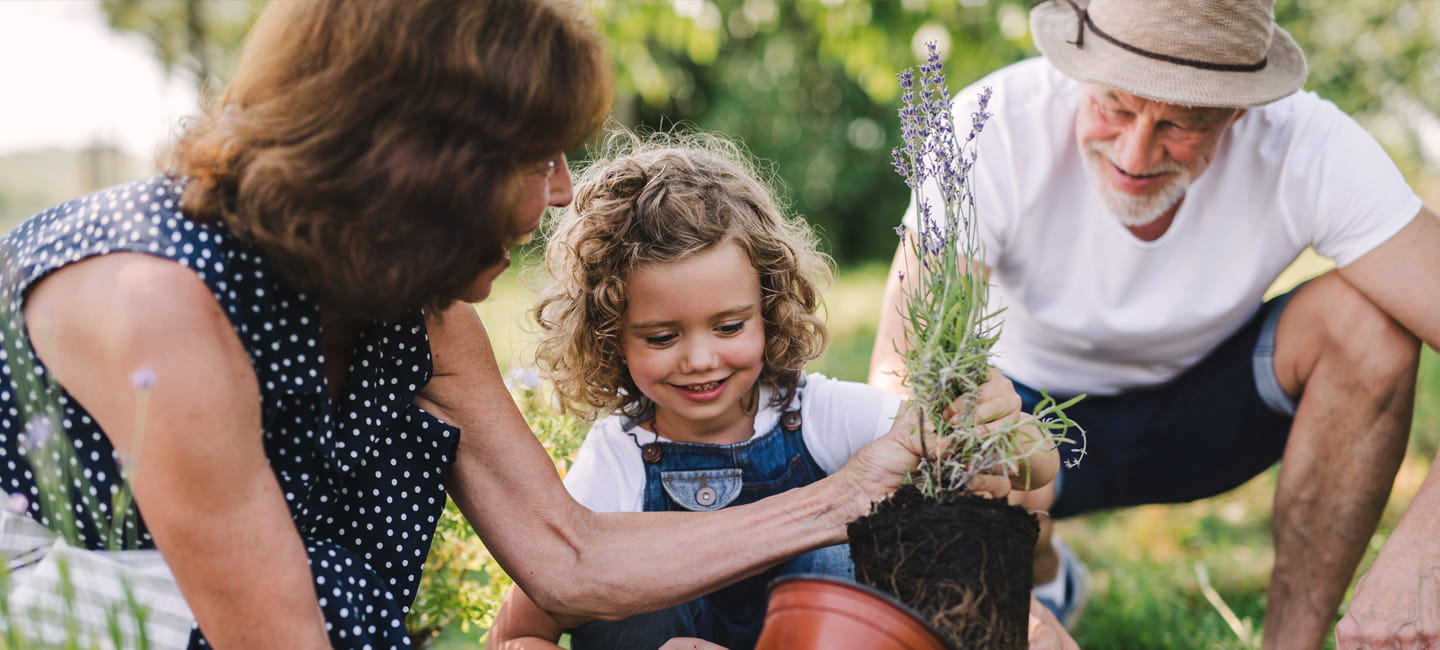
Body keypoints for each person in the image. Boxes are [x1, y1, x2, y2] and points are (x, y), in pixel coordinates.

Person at [0, 2, 942, 648]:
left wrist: (846, 493)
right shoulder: (166, 311)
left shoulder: (417, 305)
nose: (567, 190)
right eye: (538, 156)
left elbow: (566, 556)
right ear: (418, 168)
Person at [866, 0, 1440, 648]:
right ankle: (1044, 571)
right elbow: (900, 383)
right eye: (1114, 104)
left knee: (1370, 326)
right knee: (948, 427)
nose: (1135, 154)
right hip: (1031, 427)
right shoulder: (991, 127)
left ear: (1240, 108)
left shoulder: (1307, 142)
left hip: (1207, 413)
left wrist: (1427, 546)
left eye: (1181, 122)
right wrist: (1016, 615)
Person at [486, 134, 1063, 650]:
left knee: (840, 554)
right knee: (618, 585)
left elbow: (1034, 472)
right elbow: (524, 630)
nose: (700, 358)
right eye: (662, 336)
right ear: (610, 336)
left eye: (730, 326)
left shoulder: (820, 415)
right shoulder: (619, 459)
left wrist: (1002, 425)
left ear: (769, 310)